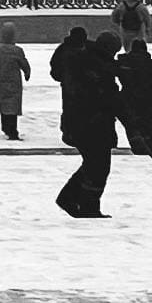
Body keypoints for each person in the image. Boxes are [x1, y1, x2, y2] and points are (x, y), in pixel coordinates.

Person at [52, 30, 122, 218]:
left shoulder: (85, 60)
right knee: (98, 166)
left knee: (94, 164)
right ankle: (86, 205)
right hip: (92, 125)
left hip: (81, 123)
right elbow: (107, 96)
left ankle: (71, 198)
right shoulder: (94, 67)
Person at [114, 38, 152, 156]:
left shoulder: (124, 63)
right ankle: (149, 148)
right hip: (149, 101)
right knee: (149, 126)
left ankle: (138, 148)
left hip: (129, 100)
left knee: (132, 126)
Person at [0, 24, 31, 140]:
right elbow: (24, 64)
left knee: (4, 104)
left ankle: (6, 127)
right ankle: (12, 130)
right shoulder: (17, 50)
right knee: (13, 106)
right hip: (14, 81)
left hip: (0, 80)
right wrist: (27, 73)